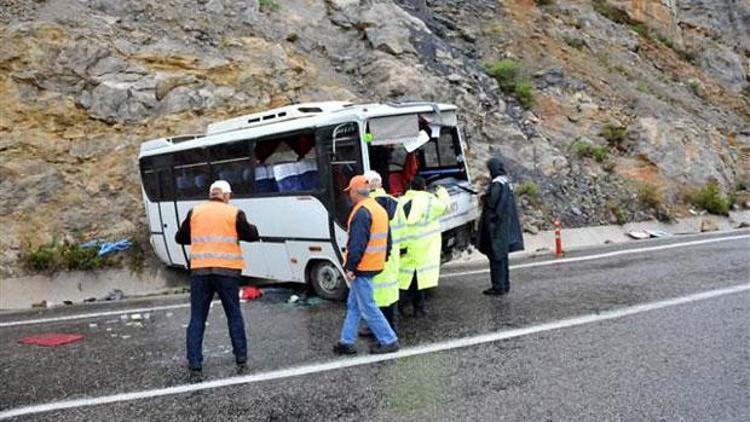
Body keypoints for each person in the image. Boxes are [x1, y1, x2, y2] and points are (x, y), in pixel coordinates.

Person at [175, 180, 260, 382]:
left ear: (211, 194)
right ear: (226, 195)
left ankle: (195, 364)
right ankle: (241, 357)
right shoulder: (233, 213)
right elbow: (251, 234)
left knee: (197, 317)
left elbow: (181, 238)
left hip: (200, 272)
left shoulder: (195, 212)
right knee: (233, 314)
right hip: (227, 272)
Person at [333, 176, 400, 355]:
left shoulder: (361, 212)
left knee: (367, 306)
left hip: (363, 266)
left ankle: (389, 340)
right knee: (354, 304)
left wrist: (350, 268)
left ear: (355, 192)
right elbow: (388, 240)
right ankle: (346, 341)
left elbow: (356, 245)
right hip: (373, 263)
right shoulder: (378, 209)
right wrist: (382, 258)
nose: (349, 196)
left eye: (350, 192)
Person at [397, 176, 450, 316]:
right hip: (424, 249)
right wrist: (442, 192)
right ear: (424, 187)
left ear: (410, 187)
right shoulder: (431, 201)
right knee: (419, 281)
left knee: (403, 281)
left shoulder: (401, 201)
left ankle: (399, 308)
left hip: (406, 247)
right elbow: (445, 206)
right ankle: (419, 309)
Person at [361, 170, 405, 335]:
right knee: (390, 290)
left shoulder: (366, 205)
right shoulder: (395, 202)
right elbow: (403, 229)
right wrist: (402, 249)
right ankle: (390, 327)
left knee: (373, 294)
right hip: (392, 255)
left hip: (372, 256)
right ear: (379, 184)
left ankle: (381, 330)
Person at [476, 158, 524, 296]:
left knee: (496, 256)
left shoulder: (497, 184)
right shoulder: (506, 182)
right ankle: (505, 284)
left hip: (496, 226)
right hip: (505, 224)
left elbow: (492, 203)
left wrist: (483, 197)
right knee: (503, 256)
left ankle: (498, 286)